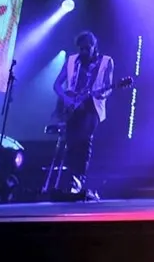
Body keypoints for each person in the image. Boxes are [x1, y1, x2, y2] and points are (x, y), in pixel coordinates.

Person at [52, 30, 114, 200]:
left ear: (94, 46)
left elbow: (108, 87)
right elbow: (57, 85)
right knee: (71, 143)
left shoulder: (106, 62)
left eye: (87, 48)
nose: (84, 51)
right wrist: (66, 99)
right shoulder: (72, 60)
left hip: (92, 107)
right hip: (73, 107)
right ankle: (71, 181)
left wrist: (102, 94)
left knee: (84, 140)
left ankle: (79, 179)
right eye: (81, 48)